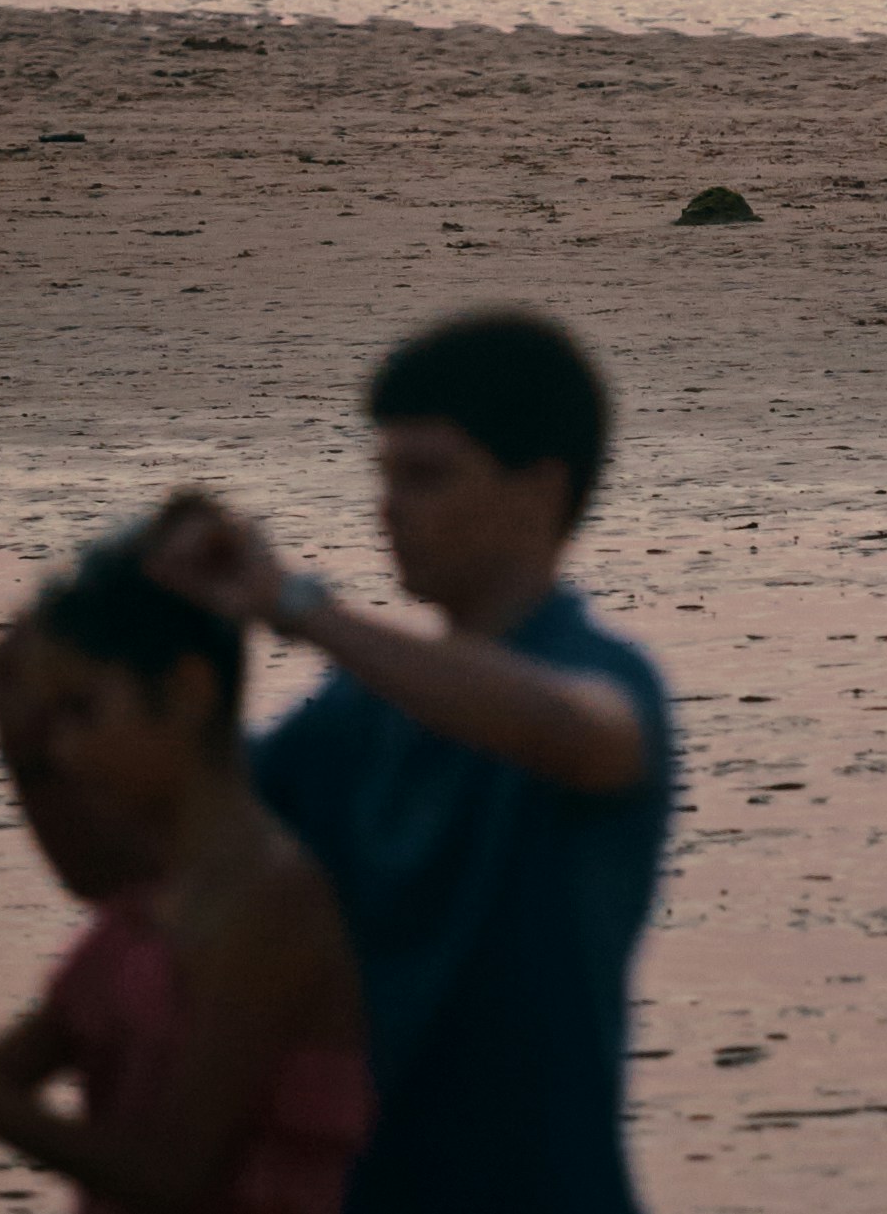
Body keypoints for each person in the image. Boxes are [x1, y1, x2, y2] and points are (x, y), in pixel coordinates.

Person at [145, 310, 675, 1214]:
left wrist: (297, 605)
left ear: (540, 490)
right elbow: (186, 823)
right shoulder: (357, 715)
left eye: (427, 476)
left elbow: (584, 730)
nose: (389, 507)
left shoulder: (603, 676)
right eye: (384, 475)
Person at [0, 519, 372, 1214]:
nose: (68, 754)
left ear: (189, 691)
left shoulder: (272, 901)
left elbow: (168, 1173)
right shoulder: (138, 918)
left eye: (83, 711)